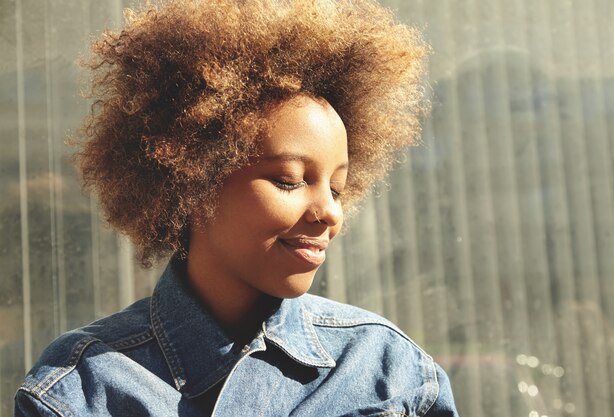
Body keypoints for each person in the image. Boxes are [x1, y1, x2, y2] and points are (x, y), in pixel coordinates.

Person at [14, 0, 458, 415]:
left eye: (337, 189)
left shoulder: (388, 371)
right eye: (289, 180)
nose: (330, 213)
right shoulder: (83, 388)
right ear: (191, 178)